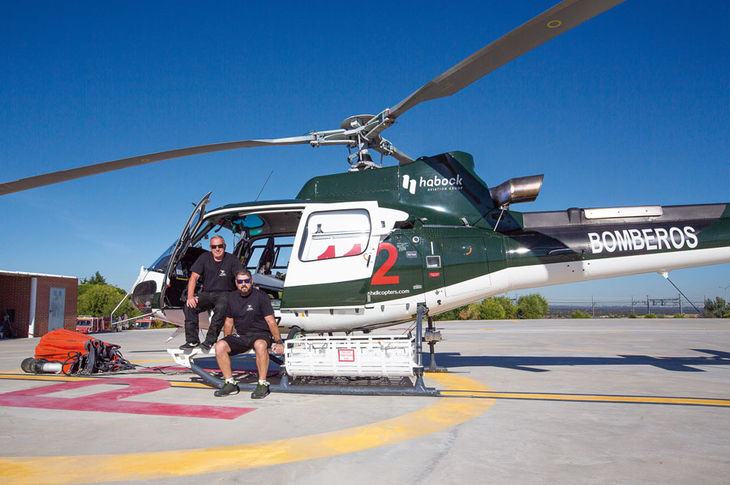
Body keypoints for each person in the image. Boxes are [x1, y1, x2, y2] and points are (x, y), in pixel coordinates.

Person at [214, 269, 284, 399]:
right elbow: (229, 322)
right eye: (240, 281)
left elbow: (271, 321)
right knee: (219, 346)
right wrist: (227, 339)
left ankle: (262, 384)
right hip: (242, 336)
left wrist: (278, 341)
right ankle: (230, 383)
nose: (243, 284)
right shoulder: (231, 298)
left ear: (251, 281)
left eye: (246, 281)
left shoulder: (261, 297)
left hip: (260, 334)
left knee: (260, 345)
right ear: (236, 283)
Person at [180, 235, 242, 353]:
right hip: (207, 294)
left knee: (221, 307)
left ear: (224, 246)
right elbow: (193, 277)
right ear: (210, 248)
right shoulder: (204, 258)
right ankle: (192, 340)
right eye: (214, 247)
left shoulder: (232, 259)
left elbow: (240, 276)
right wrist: (190, 297)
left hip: (226, 293)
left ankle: (210, 340)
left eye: (220, 246)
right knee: (189, 306)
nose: (217, 249)